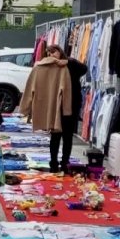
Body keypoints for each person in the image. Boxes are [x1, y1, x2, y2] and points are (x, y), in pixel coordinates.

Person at [46, 45, 87, 173]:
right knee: (55, 135)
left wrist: (67, 62)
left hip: (71, 105)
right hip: (56, 106)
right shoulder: (49, 66)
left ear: (60, 52)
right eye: (49, 53)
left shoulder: (70, 63)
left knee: (67, 136)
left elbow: (84, 69)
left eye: (54, 52)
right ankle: (53, 163)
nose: (52, 55)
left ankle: (65, 162)